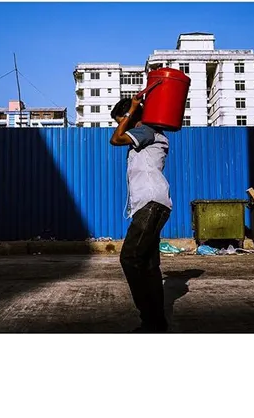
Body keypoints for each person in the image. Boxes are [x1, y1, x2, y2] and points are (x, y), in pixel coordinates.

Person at [109, 96, 172, 333]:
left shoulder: (147, 132)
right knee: (149, 265)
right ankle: (157, 323)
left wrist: (132, 110)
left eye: (123, 120)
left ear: (134, 117)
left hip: (151, 204)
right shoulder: (146, 137)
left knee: (130, 258)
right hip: (152, 204)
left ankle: (149, 319)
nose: (122, 125)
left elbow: (115, 138)